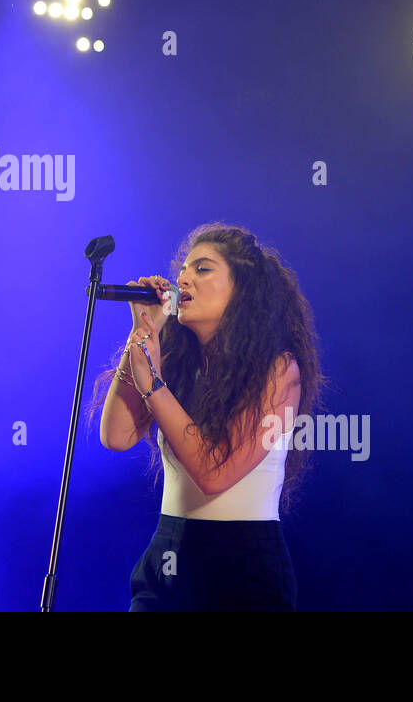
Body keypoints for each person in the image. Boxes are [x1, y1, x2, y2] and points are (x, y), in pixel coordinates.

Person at [87, 223, 326, 611]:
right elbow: (116, 436)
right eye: (182, 269)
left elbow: (214, 474)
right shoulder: (180, 365)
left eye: (202, 268)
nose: (182, 278)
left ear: (242, 289)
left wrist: (154, 385)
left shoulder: (279, 371)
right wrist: (141, 334)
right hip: (168, 553)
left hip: (241, 565)